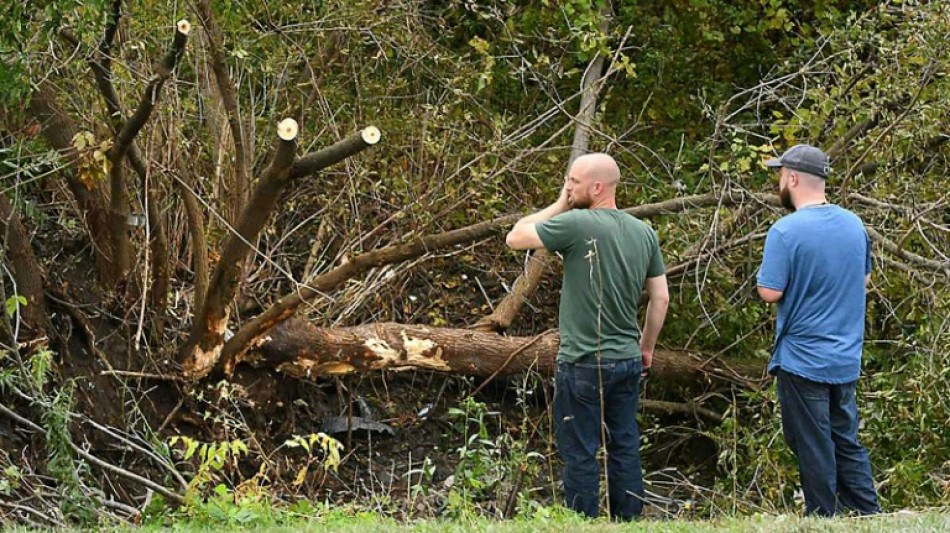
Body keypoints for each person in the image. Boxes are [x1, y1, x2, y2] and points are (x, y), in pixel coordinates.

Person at [506, 153, 669, 520]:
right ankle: (629, 523)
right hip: (627, 360)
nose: (567, 187)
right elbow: (660, 298)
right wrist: (646, 347)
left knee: (580, 450)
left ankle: (583, 522)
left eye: (574, 182)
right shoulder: (643, 232)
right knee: (624, 445)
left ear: (597, 188)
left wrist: (560, 204)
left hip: (582, 361)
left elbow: (515, 237)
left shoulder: (577, 223)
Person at [757, 144, 880, 516]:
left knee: (811, 441)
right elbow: (864, 279)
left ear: (793, 178)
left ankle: (823, 515)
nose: (779, 182)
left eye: (781, 175)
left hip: (802, 357)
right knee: (845, 437)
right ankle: (867, 511)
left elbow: (769, 292)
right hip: (845, 355)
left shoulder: (785, 231)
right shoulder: (854, 224)